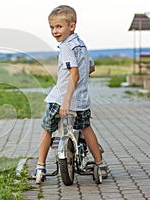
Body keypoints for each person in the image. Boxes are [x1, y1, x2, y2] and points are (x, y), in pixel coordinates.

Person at [34, 5, 107, 184]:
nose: (54, 31)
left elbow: (74, 73)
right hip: (82, 100)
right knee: (86, 128)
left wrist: (66, 101)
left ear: (71, 26)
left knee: (47, 128)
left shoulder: (66, 47)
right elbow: (91, 67)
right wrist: (81, 81)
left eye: (59, 27)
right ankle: (100, 164)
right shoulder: (81, 45)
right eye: (52, 27)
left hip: (61, 98)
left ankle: (40, 166)